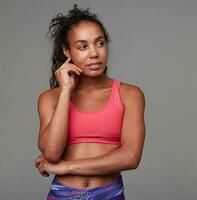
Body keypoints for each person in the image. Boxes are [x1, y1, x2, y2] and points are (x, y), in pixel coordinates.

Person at [34, 4, 145, 200]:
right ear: (67, 51)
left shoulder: (130, 95)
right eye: (82, 46)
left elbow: (131, 157)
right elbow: (51, 153)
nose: (94, 53)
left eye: (100, 43)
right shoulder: (50, 98)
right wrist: (66, 91)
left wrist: (67, 166)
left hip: (110, 194)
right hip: (62, 195)